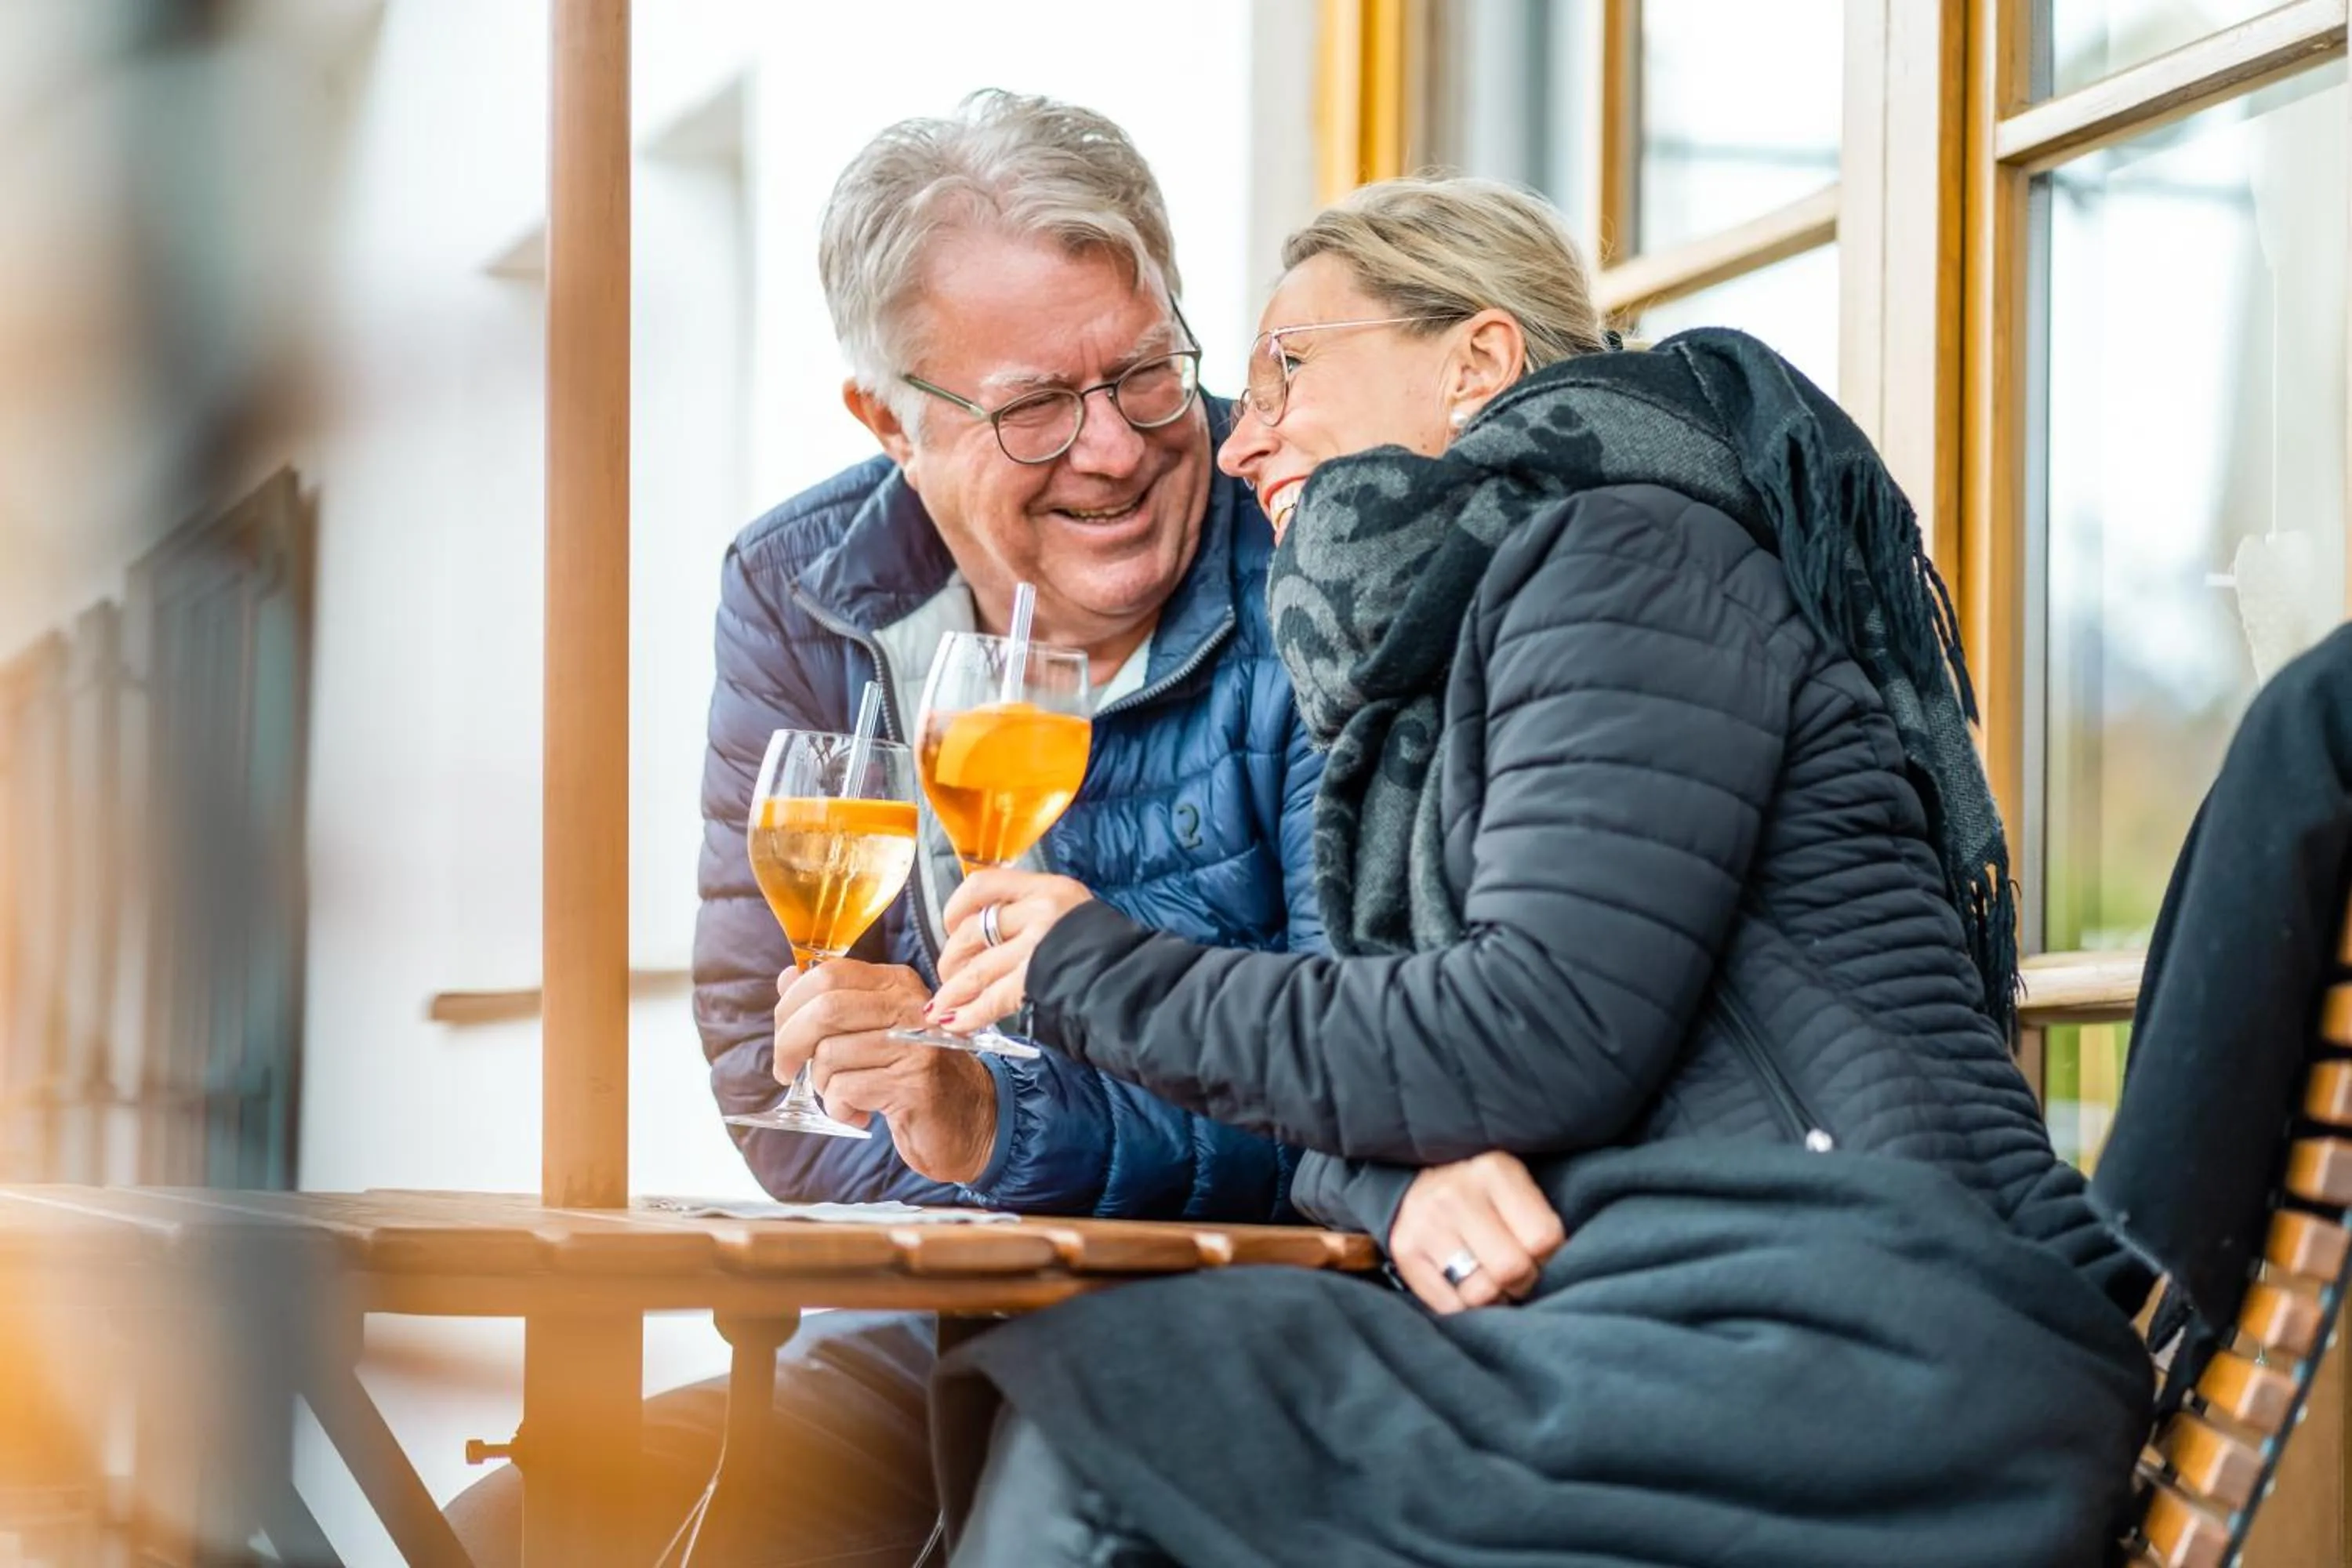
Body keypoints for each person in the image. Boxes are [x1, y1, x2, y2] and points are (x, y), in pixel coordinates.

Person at [917, 176, 2158, 1566]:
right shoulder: (1441, 672)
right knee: (1116, 1403)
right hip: (1708, 1316)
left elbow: (1530, 1030)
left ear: (1480, 359)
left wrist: (1089, 964)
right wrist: (1396, 1189)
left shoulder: (1625, 555)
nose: (1243, 434)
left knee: (1126, 1409)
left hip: (1874, 1328)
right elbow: (1395, 1060)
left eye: (1285, 367)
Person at [445, 92, 1323, 1566]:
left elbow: (1356, 1066)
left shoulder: (1308, 547)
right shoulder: (804, 588)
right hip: (920, 1305)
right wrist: (931, 1144)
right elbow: (761, 1045)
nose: (1115, 449)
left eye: (1150, 375)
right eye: (1037, 406)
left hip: (1236, 1319)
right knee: (520, 1527)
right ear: (886, 419)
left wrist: (997, 1126)